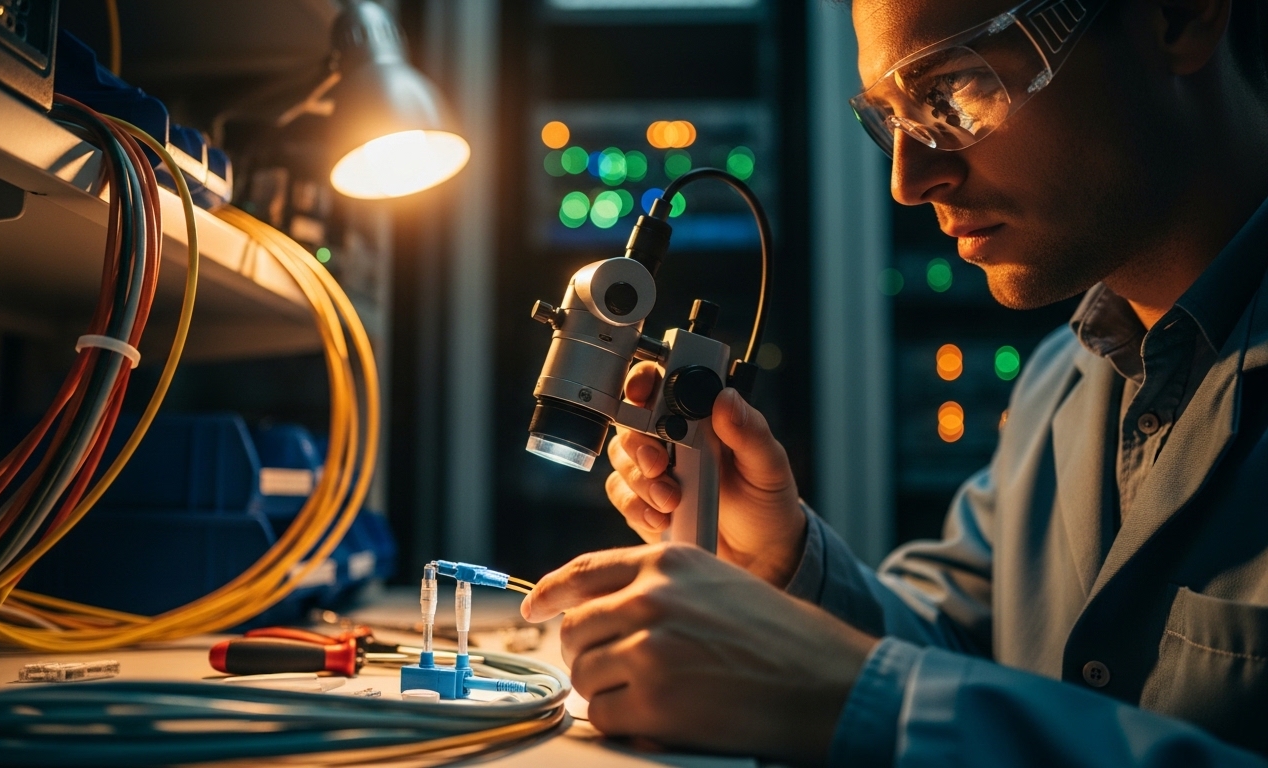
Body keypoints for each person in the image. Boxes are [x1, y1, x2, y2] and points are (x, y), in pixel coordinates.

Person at [519, 0, 1268, 765]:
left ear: (1179, 17)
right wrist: (780, 562)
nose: (909, 181)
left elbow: (919, 691)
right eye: (891, 121)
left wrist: (857, 697)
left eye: (956, 93)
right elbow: (962, 653)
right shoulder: (1061, 385)